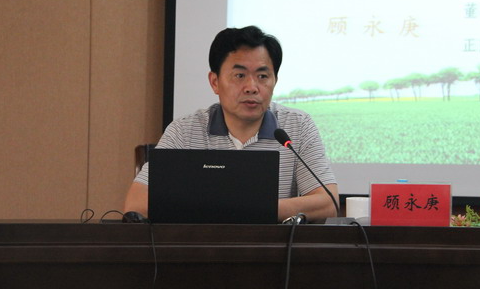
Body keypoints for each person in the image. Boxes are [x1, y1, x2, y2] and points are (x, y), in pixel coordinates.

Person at [124, 25, 338, 222]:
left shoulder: (298, 126)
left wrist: (247, 208)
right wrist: (241, 208)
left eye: (263, 76)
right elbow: (136, 204)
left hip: (271, 249)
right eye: (239, 75)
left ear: (275, 81)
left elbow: (328, 203)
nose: (252, 87)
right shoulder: (185, 130)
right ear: (215, 82)